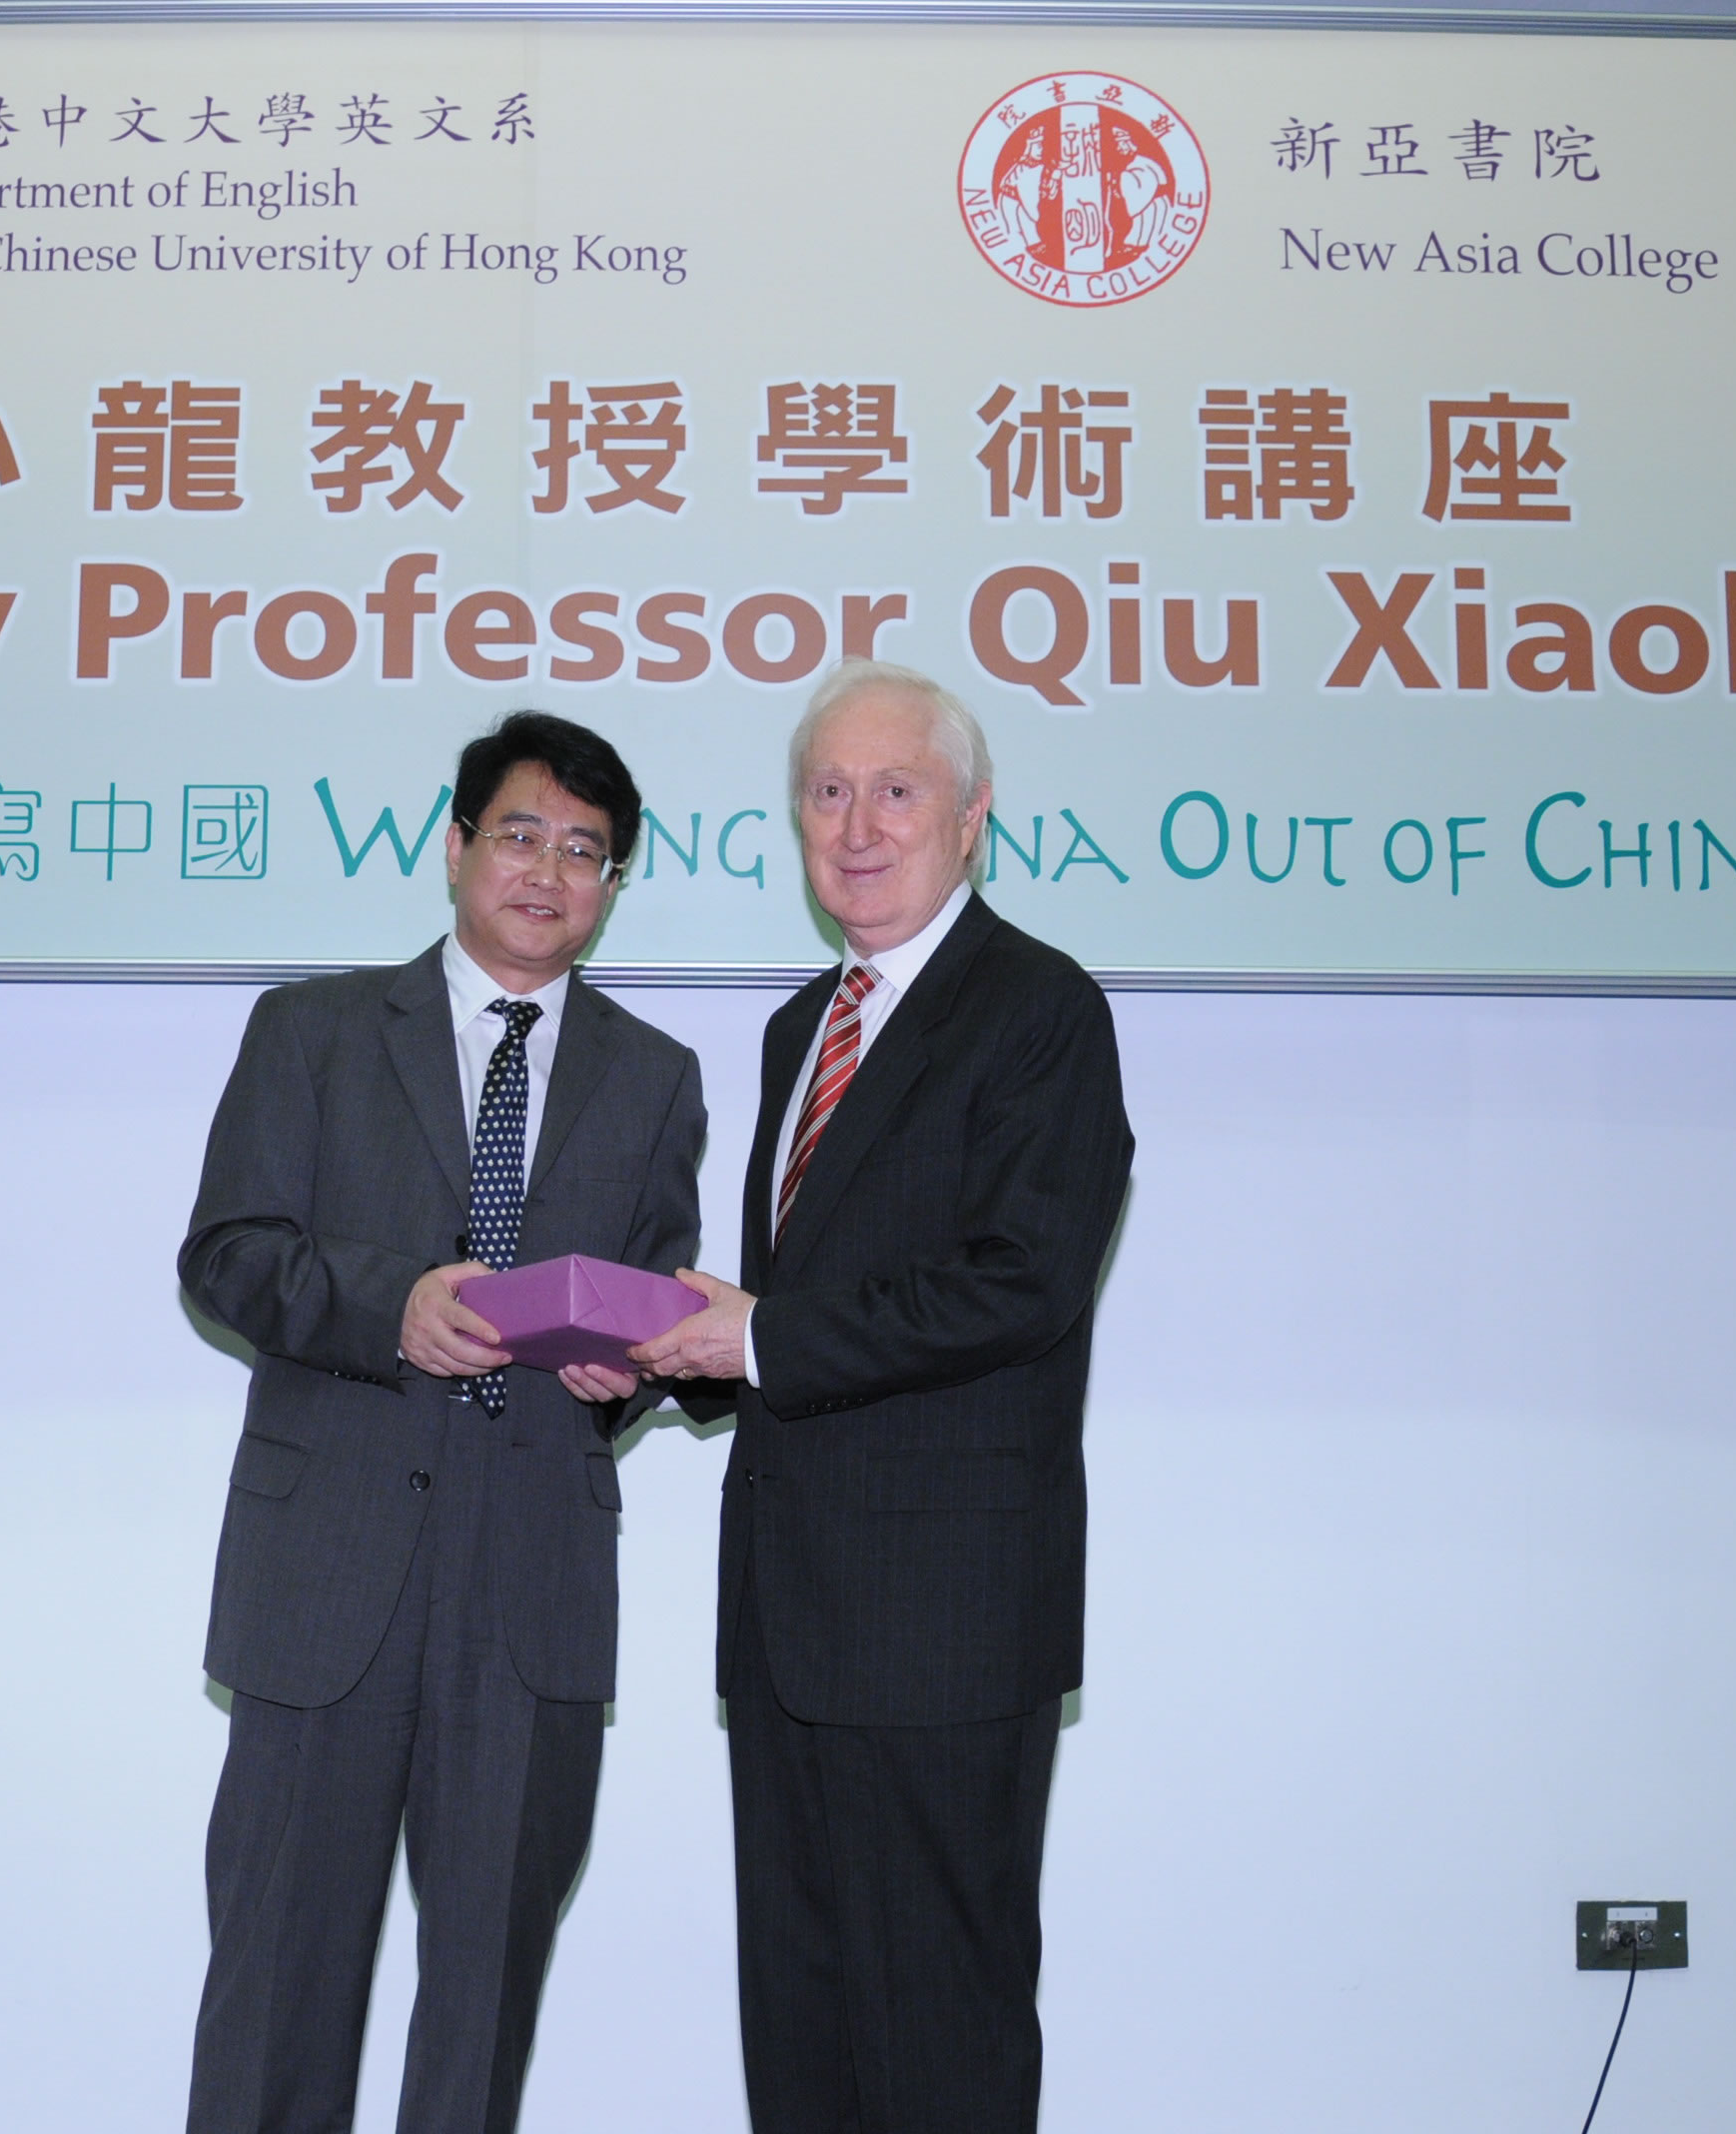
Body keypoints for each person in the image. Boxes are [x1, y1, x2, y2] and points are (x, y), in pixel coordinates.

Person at [178, 711, 706, 2134]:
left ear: (613, 884)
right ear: (458, 843)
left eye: (585, 852)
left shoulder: (657, 1079)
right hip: (330, 1574)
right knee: (279, 1986)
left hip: (528, 1583)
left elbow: (660, 1303)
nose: (548, 872)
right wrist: (390, 1301)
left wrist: (640, 1370)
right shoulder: (317, 1029)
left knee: (479, 2016)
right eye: (522, 834)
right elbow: (225, 1256)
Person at [633, 661, 1134, 2134]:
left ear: (973, 820)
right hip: (788, 1625)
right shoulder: (805, 1028)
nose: (858, 825)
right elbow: (788, 1314)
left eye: (897, 790)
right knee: (801, 2035)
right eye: (828, 792)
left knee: (939, 2042)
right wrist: (656, 1356)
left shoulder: (1038, 1010)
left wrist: (761, 1339)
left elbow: (1021, 1283)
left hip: (944, 1630)